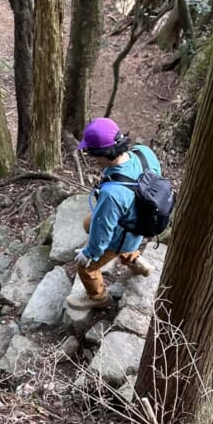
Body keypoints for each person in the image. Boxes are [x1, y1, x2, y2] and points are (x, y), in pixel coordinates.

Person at [68, 117, 159, 311]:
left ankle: (98, 297)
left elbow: (103, 231)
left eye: (92, 153)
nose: (92, 158)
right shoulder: (143, 153)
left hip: (123, 234)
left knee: (84, 268)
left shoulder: (112, 194)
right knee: (88, 223)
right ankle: (135, 260)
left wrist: (89, 253)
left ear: (102, 154)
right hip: (140, 224)